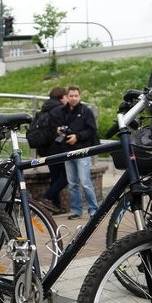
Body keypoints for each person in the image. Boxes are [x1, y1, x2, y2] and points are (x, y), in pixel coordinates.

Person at [53, 85, 99, 219]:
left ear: (80, 96)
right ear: (67, 97)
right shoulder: (62, 111)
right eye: (71, 96)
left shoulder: (86, 111)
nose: (73, 98)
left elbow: (92, 130)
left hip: (82, 151)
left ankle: (93, 210)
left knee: (85, 182)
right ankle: (77, 211)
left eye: (76, 96)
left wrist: (77, 137)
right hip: (67, 151)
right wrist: (59, 130)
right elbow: (58, 127)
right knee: (72, 183)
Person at [32, 87, 68, 215]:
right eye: (66, 97)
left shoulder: (45, 109)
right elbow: (60, 129)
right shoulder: (59, 109)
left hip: (46, 149)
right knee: (66, 176)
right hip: (57, 148)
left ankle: (56, 206)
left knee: (55, 177)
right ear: (61, 97)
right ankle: (46, 197)